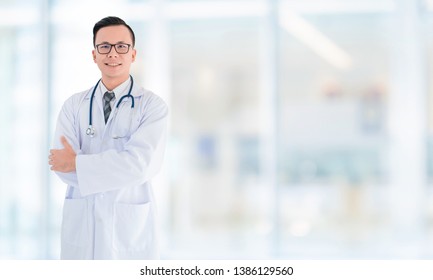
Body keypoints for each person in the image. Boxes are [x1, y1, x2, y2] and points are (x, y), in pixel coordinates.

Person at [48, 16, 168, 260]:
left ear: (133, 54)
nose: (113, 53)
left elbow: (140, 166)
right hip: (83, 230)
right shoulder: (74, 106)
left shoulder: (152, 107)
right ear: (94, 55)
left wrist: (79, 163)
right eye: (105, 46)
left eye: (121, 46)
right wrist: (113, 167)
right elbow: (60, 165)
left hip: (129, 232)